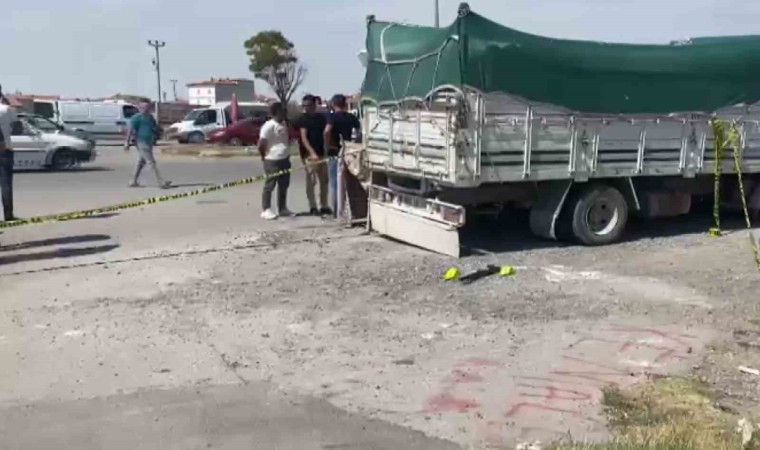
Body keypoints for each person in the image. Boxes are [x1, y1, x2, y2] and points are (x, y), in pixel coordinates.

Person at [324, 94, 362, 216]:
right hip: (349, 152)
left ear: (333, 104)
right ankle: (351, 211)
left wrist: (327, 145)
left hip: (334, 152)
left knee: (335, 183)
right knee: (350, 183)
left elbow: (327, 131)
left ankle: (337, 211)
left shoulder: (332, 118)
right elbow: (359, 132)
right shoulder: (351, 117)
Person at [294, 94, 330, 215]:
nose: (306, 108)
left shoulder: (321, 118)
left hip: (321, 153)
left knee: (324, 180)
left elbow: (325, 134)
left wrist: (326, 149)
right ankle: (313, 206)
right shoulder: (303, 119)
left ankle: (324, 205)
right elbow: (303, 138)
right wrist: (312, 152)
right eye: (304, 105)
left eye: (308, 105)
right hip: (308, 155)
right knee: (311, 181)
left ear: (314, 105)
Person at [258, 102, 293, 220]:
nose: (285, 113)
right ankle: (266, 209)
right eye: (283, 111)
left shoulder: (284, 124)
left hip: (285, 158)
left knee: (284, 185)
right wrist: (263, 156)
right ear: (276, 112)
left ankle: (282, 208)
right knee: (270, 185)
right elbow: (261, 144)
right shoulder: (268, 126)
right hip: (272, 159)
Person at [124, 101, 170, 189]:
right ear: (140, 108)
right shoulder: (136, 118)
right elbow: (130, 130)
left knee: (141, 162)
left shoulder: (150, 117)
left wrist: (163, 132)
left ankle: (133, 181)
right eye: (144, 107)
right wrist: (127, 142)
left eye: (148, 107)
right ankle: (161, 182)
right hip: (140, 141)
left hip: (149, 141)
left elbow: (155, 127)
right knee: (151, 162)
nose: (147, 109)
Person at [0, 87, 17, 222]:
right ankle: (8, 215)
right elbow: (16, 126)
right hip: (5, 149)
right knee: (5, 183)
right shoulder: (7, 109)